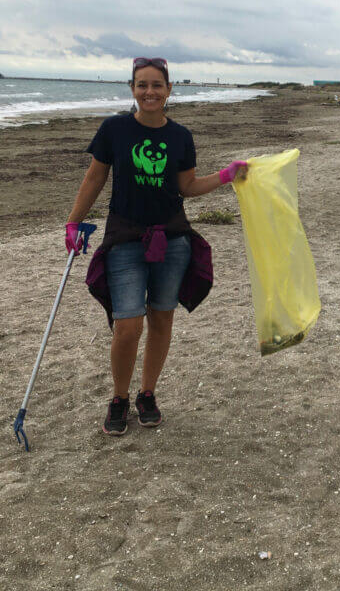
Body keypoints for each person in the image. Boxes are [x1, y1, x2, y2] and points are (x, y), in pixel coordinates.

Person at [65, 57, 248, 436]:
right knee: (127, 325)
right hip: (125, 239)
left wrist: (226, 176)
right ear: (132, 88)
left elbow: (187, 187)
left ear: (169, 90)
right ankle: (119, 397)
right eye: (142, 85)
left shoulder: (180, 136)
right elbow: (95, 177)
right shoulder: (114, 129)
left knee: (162, 318)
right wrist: (73, 221)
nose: (149, 92)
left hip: (173, 239)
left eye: (157, 85)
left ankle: (147, 394)